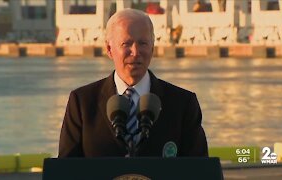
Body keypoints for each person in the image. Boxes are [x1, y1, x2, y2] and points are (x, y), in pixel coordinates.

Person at [58, 9, 208, 157]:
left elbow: (201, 169)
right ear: (109, 49)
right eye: (126, 43)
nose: (135, 52)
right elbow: (65, 170)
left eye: (143, 43)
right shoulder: (82, 102)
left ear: (152, 47)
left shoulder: (182, 103)